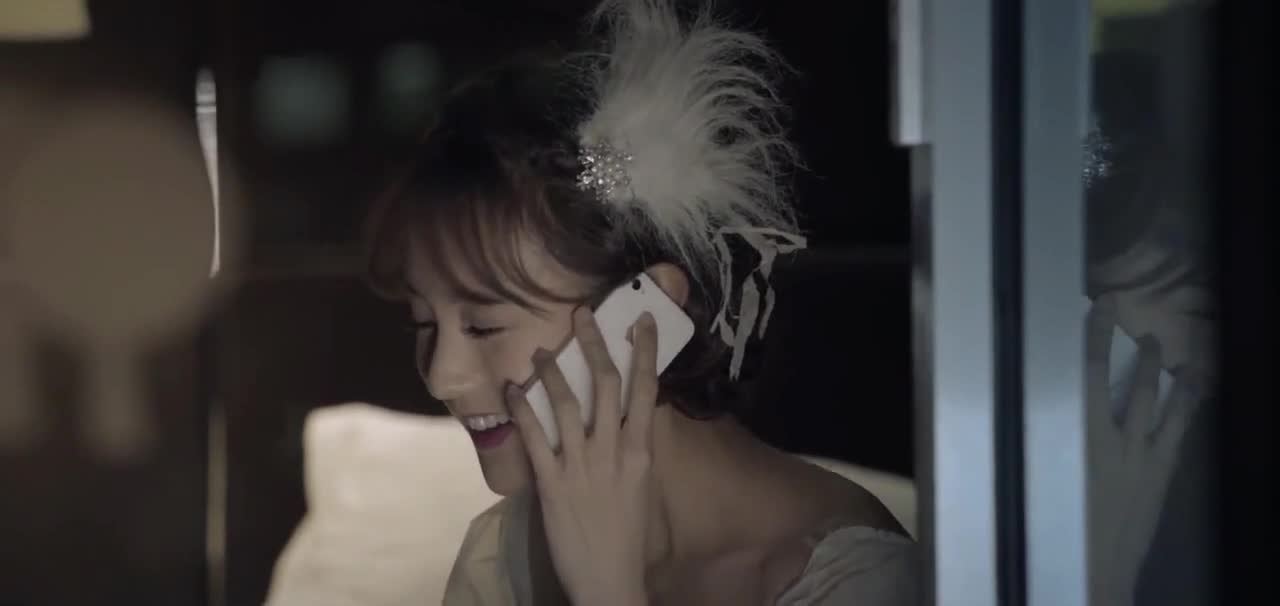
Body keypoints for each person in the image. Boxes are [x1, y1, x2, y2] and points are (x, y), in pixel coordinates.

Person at [362, 1, 919, 604]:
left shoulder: (860, 582)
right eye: (423, 322)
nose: (441, 376)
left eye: (483, 326)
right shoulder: (503, 559)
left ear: (643, 319)